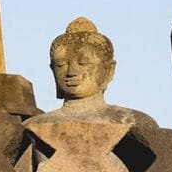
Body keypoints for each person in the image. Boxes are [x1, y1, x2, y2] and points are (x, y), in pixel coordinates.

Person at [24, 17, 159, 128]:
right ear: (52, 69)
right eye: (61, 65)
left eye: (83, 64)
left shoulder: (133, 122)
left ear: (109, 70)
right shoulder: (35, 126)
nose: (71, 72)